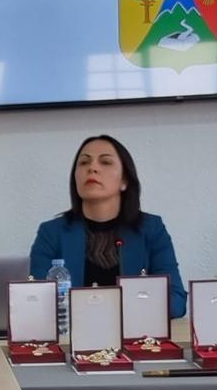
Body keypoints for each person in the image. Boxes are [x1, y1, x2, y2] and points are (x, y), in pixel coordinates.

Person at [29, 134, 186, 318]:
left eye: (105, 162)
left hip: (134, 339)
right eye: (84, 163)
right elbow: (37, 303)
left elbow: (176, 301)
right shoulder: (52, 233)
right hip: (72, 340)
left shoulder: (151, 229)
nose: (92, 168)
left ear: (124, 181)